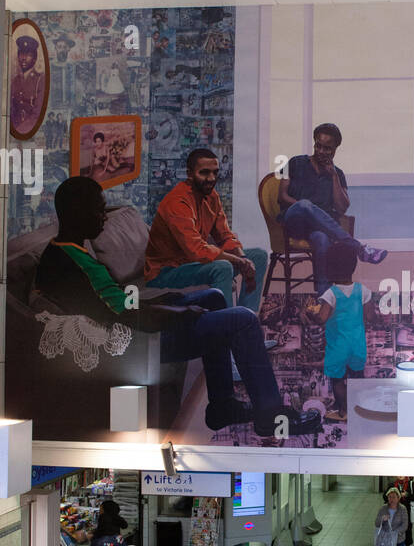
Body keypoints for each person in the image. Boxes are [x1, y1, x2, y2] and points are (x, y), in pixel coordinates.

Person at [35, 177, 319, 438]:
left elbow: (114, 300)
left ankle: (222, 406)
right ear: (75, 212)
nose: (104, 218)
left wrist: (163, 300)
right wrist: (178, 313)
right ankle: (269, 417)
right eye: (99, 211)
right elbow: (113, 317)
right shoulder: (63, 264)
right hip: (142, 342)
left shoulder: (74, 248)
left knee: (213, 298)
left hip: (137, 320)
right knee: (243, 319)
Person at [145, 148, 269, 313]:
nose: (211, 178)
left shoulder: (212, 196)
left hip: (192, 265)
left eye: (215, 172)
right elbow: (196, 250)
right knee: (223, 267)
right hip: (166, 272)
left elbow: (225, 236)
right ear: (189, 174)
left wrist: (244, 258)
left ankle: (246, 320)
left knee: (258, 256)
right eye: (204, 173)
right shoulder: (177, 202)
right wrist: (239, 262)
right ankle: (226, 330)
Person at [276, 123, 387, 296]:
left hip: (318, 229)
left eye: (327, 148)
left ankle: (324, 297)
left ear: (335, 150)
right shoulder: (295, 162)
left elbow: (342, 208)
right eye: (318, 145)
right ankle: (359, 247)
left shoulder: (338, 174)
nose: (320, 151)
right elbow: (282, 196)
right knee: (305, 205)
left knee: (322, 239)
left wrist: (333, 176)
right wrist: (305, 208)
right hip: (295, 221)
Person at [304, 242, 371, 422]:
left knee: (338, 380)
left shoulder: (330, 294)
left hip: (338, 348)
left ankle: (344, 411)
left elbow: (322, 319)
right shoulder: (363, 290)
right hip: (358, 345)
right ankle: (361, 408)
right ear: (353, 266)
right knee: (357, 377)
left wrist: (311, 313)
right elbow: (370, 317)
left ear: (329, 269)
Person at [10, 33, 45, 137]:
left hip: (31, 132)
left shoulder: (40, 80)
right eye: (21, 54)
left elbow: (37, 115)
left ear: (34, 58)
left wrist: (19, 131)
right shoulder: (14, 81)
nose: (24, 58)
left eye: (28, 55)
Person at [383, 476, 414, 546]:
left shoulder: (411, 484)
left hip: (407, 511)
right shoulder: (392, 485)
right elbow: (385, 497)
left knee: (407, 528)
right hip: (395, 511)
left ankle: (407, 543)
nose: (401, 475)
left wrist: (407, 495)